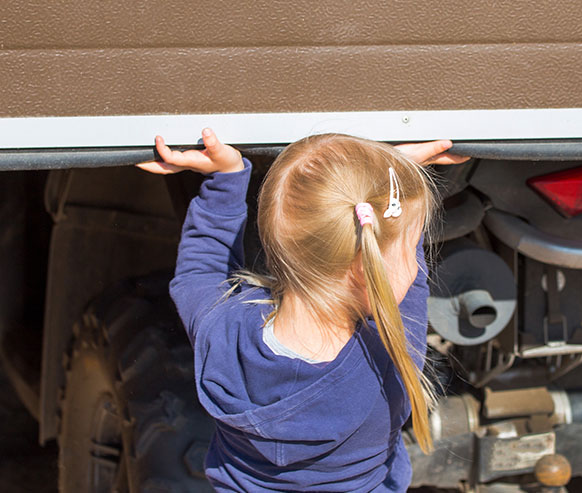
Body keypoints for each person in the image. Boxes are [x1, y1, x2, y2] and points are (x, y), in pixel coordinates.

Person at [136, 128, 468, 492]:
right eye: (409, 250)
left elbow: (199, 272)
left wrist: (226, 179)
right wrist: (396, 174)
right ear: (367, 267)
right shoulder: (388, 360)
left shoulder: (223, 332)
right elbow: (408, 292)